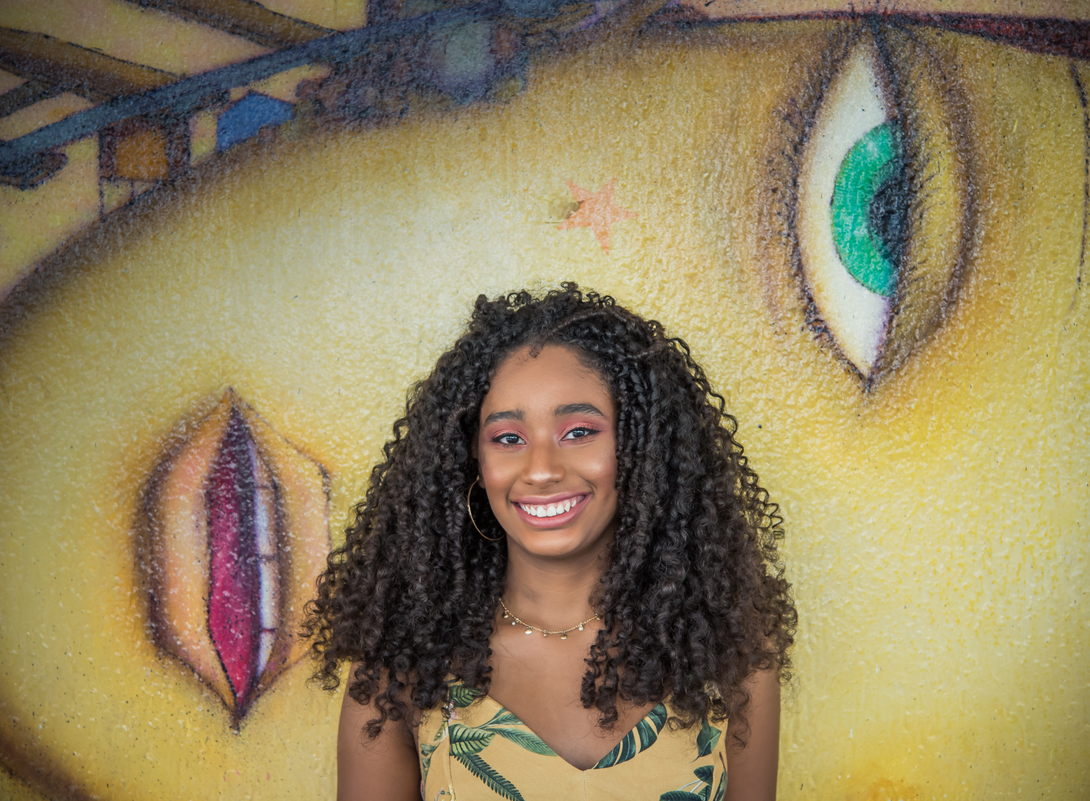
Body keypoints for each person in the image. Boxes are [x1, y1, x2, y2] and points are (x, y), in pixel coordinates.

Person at [303, 284, 796, 800]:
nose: (541, 470)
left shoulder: (728, 650)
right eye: (508, 438)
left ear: (642, 447)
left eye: (578, 432)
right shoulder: (402, 663)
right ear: (474, 463)